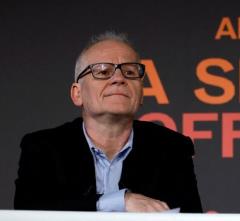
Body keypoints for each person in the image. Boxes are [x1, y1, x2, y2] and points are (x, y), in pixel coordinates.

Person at [14, 32, 203, 213]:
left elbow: (189, 218)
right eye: (103, 72)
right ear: (77, 93)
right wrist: (120, 202)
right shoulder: (42, 147)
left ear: (142, 92)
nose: (119, 79)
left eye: (129, 72)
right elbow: (28, 210)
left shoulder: (173, 149)